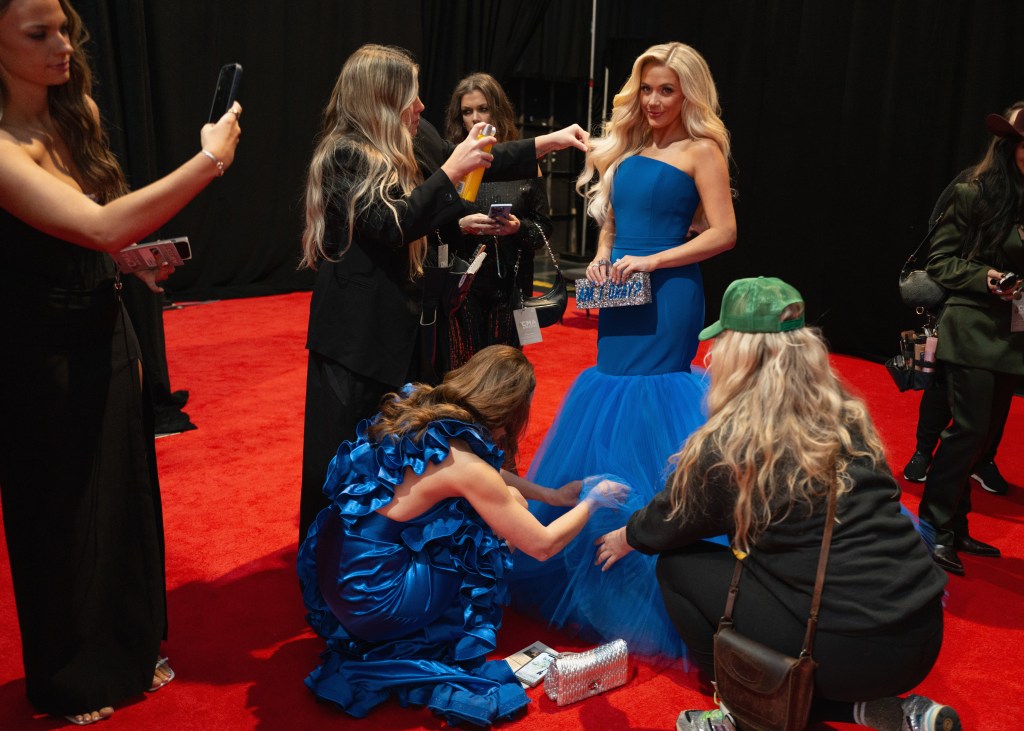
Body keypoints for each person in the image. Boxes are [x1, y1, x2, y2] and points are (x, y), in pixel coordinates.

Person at [0, 0, 241, 725]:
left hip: (106, 324)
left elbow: (102, 238)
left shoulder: (79, 116)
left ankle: (131, 651)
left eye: (64, 28)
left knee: (125, 493)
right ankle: (70, 677)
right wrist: (210, 160)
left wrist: (132, 266)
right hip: (37, 349)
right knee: (61, 509)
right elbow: (102, 221)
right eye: (38, 34)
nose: (62, 45)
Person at [594, 277, 957, 731]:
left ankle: (743, 710)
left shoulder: (734, 441)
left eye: (722, 339)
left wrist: (627, 536)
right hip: (922, 632)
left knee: (677, 567)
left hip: (852, 647)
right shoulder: (846, 415)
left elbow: (674, 518)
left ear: (738, 353)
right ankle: (878, 711)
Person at [298, 44, 589, 543]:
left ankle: (388, 547)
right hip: (357, 340)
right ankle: (332, 558)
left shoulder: (416, 136)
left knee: (404, 448)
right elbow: (392, 226)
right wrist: (451, 173)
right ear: (383, 100)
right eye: (412, 96)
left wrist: (549, 143)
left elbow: (484, 162)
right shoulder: (345, 154)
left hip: (407, 330)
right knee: (345, 452)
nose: (423, 107)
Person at [508, 41, 736, 659]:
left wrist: (657, 258)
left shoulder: (702, 151)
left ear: (689, 93)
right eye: (649, 89)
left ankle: (653, 546)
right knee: (610, 394)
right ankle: (603, 545)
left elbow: (724, 232)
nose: (656, 101)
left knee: (652, 406)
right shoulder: (631, 148)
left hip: (670, 295)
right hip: (622, 292)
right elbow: (610, 219)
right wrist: (606, 254)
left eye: (668, 90)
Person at [296, 345, 630, 726]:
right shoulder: (468, 466)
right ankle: (442, 628)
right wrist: (592, 501)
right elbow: (541, 544)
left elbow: (470, 476)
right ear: (511, 411)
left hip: (338, 578)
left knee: (497, 504)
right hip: (376, 603)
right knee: (499, 520)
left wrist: (553, 495)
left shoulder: (422, 412)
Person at [917, 102, 1024, 575]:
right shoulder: (973, 192)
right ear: (1012, 147)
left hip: (1011, 333)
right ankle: (932, 526)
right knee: (969, 432)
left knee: (984, 440)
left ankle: (955, 525)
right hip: (970, 325)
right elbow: (939, 263)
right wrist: (989, 277)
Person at [441, 72, 552, 373]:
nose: (475, 118)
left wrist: (517, 228)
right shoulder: (452, 164)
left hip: (512, 288)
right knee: (464, 370)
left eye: (483, 109)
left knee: (505, 372)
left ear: (498, 112)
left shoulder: (525, 164)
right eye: (467, 111)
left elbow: (543, 230)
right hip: (464, 288)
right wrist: (462, 223)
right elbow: (433, 226)